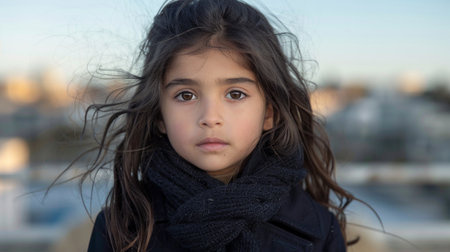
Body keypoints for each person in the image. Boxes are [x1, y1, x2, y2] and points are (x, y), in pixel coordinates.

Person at [85, 0, 357, 251]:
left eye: (235, 94)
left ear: (269, 113)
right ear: (159, 115)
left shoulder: (319, 230)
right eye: (186, 95)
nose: (210, 117)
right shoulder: (122, 229)